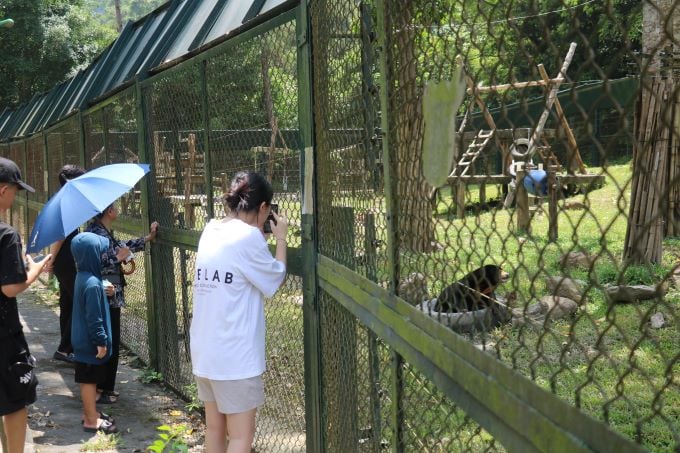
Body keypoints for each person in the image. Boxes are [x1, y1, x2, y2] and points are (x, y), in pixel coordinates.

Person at [190, 171, 288, 453]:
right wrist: (280, 239)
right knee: (241, 437)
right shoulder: (249, 239)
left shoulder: (211, 229)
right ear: (264, 208)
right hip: (235, 357)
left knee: (214, 429)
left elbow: (240, 263)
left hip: (206, 352)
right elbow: (274, 278)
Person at [0, 157, 52, 453]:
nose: (16, 195)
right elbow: (10, 288)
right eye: (15, 189)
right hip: (4, 335)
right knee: (15, 399)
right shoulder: (6, 234)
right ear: (2, 190)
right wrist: (35, 269)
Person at [85, 203, 158, 404]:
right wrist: (118, 258)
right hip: (105, 294)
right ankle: (102, 388)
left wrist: (146, 239)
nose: (119, 209)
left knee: (111, 340)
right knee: (107, 340)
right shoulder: (96, 233)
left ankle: (106, 387)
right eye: (116, 207)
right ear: (109, 212)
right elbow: (94, 261)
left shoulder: (103, 231)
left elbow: (121, 248)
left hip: (111, 294)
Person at [70, 232, 117, 434]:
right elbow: (94, 317)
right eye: (99, 252)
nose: (102, 256)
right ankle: (90, 419)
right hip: (91, 343)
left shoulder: (84, 277)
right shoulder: (92, 285)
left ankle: (90, 412)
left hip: (83, 341)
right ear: (92, 255)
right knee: (89, 381)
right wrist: (101, 341)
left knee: (89, 379)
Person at [45, 164, 86, 363]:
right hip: (66, 258)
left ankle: (66, 349)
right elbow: (60, 235)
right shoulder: (66, 201)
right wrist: (51, 259)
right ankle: (66, 348)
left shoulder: (59, 198)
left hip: (64, 257)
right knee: (78, 302)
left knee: (68, 302)